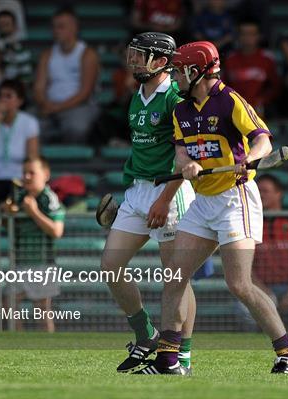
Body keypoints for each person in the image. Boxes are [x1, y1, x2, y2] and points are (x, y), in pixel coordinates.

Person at [136, 41, 288, 375]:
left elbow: (263, 141)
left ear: (193, 71)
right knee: (175, 276)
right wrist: (187, 166)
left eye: (178, 71)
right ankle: (171, 360)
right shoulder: (182, 110)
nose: (175, 77)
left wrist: (248, 159)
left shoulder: (230, 101)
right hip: (202, 202)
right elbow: (182, 151)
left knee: (239, 283)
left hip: (234, 198)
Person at [98, 32, 197, 373]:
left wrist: (164, 199)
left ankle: (180, 355)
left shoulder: (174, 98)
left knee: (176, 278)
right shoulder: (137, 95)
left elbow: (184, 157)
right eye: (133, 55)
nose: (133, 61)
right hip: (137, 191)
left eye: (141, 56)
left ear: (161, 61)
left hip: (169, 191)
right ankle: (146, 335)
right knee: (111, 266)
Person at [236, 174, 288, 333]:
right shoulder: (246, 223)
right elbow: (242, 265)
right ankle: (250, 351)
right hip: (259, 287)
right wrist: (264, 292)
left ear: (279, 194)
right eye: (258, 191)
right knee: (243, 311)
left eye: (265, 191)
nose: (261, 195)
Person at [1, 157, 65, 332]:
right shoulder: (19, 196)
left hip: (42, 264)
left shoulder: (48, 198)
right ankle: (18, 345)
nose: (27, 177)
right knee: (9, 303)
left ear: (46, 174)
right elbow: (8, 226)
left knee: (42, 309)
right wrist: (6, 214)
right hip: (20, 263)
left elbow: (57, 231)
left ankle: (48, 349)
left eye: (32, 173)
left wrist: (34, 211)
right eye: (24, 173)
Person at [33, 7, 100, 143]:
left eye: (61, 26)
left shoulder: (87, 54)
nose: (56, 30)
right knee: (31, 126)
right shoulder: (47, 55)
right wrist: (44, 103)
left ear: (74, 28)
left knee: (76, 128)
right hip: (50, 105)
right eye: (54, 27)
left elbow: (85, 93)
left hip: (79, 106)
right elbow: (38, 88)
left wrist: (57, 108)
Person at [0, 79, 39, 209]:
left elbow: (32, 156)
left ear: (19, 101)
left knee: (20, 199)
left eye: (8, 96)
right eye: (1, 96)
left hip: (18, 176)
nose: (3, 100)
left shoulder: (29, 122)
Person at [223, 18, 281, 117]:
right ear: (238, 37)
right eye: (244, 34)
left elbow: (276, 87)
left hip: (261, 109)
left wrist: (262, 100)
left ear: (258, 36)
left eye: (251, 34)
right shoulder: (230, 59)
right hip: (234, 108)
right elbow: (223, 87)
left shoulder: (267, 59)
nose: (247, 38)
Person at [0, 9, 33, 85]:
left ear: (15, 27)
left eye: (7, 24)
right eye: (1, 25)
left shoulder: (23, 51)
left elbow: (26, 79)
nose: (4, 28)